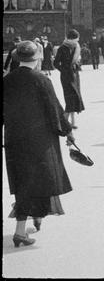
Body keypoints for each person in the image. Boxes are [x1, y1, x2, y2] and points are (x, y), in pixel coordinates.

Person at [3, 41, 74, 248]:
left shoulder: (7, 81)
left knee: (23, 182)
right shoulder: (41, 80)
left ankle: (21, 229)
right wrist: (67, 132)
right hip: (40, 141)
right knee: (43, 179)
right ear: (36, 59)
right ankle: (37, 217)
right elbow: (54, 109)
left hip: (15, 141)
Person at [54, 29, 85, 129]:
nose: (77, 40)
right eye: (76, 38)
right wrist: (64, 70)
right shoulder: (62, 48)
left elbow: (78, 61)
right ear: (72, 39)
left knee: (75, 98)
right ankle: (63, 122)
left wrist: (77, 64)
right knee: (69, 99)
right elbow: (56, 63)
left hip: (75, 76)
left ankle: (72, 122)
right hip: (66, 77)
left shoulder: (77, 47)